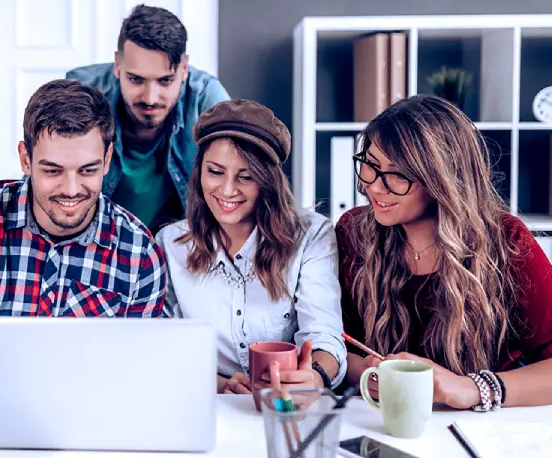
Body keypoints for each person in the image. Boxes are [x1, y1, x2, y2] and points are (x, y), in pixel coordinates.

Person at [0, 79, 168, 405]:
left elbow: (140, 366)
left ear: (108, 159)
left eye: (87, 170)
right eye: (53, 170)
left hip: (93, 413)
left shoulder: (141, 253)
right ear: (25, 159)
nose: (71, 189)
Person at [338, 94, 552, 410]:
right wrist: (364, 371)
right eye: (370, 165)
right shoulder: (352, 232)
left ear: (443, 179)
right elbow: (331, 341)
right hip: (381, 419)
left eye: (398, 174)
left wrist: (471, 388)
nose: (374, 186)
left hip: (483, 430)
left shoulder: (508, 242)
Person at [157, 99, 346, 395]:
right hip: (209, 403)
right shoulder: (170, 244)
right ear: (199, 172)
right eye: (215, 172)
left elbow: (324, 335)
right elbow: (164, 346)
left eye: (246, 177)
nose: (228, 190)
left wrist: (316, 376)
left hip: (289, 405)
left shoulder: (312, 236)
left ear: (269, 181)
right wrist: (218, 385)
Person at [66, 4, 230, 234]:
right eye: (136, 79)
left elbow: (245, 179)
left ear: (184, 70)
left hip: (177, 246)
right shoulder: (82, 93)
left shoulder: (206, 99)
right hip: (96, 243)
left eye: (165, 81)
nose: (150, 98)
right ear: (117, 65)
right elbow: (45, 183)